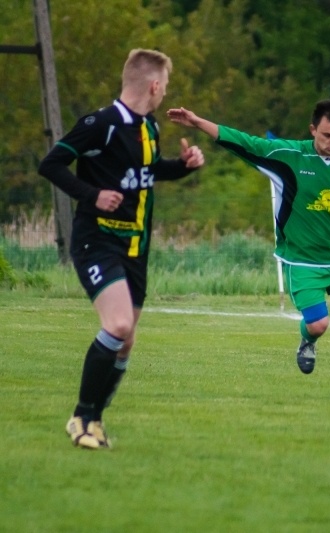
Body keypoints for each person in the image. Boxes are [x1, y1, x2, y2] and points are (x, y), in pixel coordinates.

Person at [166, 100, 330, 400]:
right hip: (302, 260)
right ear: (312, 130)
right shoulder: (288, 155)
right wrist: (198, 122)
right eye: (327, 135)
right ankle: (307, 341)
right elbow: (242, 141)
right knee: (318, 324)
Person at [38, 49, 205, 449]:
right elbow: (52, 164)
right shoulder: (101, 123)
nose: (164, 93)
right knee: (118, 327)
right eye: (164, 86)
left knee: (125, 342)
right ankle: (81, 418)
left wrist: (183, 166)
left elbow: (146, 172)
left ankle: (95, 419)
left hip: (137, 247)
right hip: (98, 241)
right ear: (154, 85)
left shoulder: (147, 126)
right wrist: (92, 195)